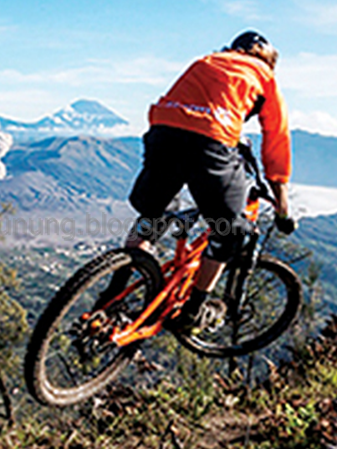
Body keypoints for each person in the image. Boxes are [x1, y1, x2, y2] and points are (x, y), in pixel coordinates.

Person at [126, 30, 297, 333]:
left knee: (151, 216)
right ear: (268, 60)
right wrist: (282, 206)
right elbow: (277, 142)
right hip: (211, 144)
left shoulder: (206, 61)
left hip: (163, 133)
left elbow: (185, 110)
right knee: (228, 231)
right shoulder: (264, 77)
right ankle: (193, 312)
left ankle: (114, 293)